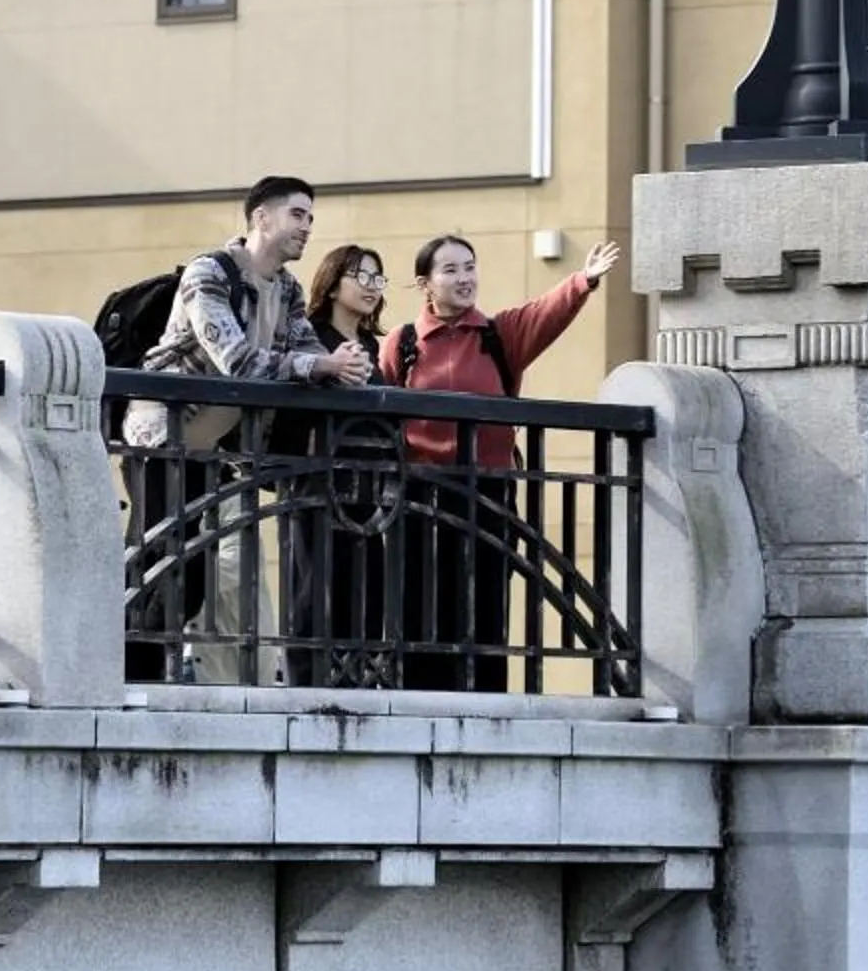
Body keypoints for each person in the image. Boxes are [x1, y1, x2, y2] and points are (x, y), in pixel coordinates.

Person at [119, 176, 369, 683]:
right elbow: (235, 361)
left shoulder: (287, 288)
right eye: (298, 215)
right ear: (261, 218)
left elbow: (308, 351)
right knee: (161, 564)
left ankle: (145, 676)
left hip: (211, 450)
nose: (307, 228)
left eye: (310, 218)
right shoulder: (207, 274)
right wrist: (319, 368)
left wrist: (344, 365)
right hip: (161, 438)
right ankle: (130, 680)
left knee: (190, 576)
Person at [379, 233, 625, 692]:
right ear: (424, 283)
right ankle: (417, 694)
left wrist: (581, 282)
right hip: (419, 492)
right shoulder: (403, 342)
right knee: (420, 601)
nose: (464, 278)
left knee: (486, 599)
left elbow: (543, 313)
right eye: (450, 270)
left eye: (469, 267)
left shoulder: (498, 334)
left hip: (488, 491)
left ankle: (486, 696)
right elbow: (380, 413)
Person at [281, 244, 392, 687]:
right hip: (315, 485)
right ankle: (309, 687)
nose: (370, 287)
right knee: (314, 591)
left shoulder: (371, 346)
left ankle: (360, 684)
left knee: (365, 592)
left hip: (368, 488)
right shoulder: (309, 337)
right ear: (332, 284)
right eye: (360, 276)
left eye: (377, 279)